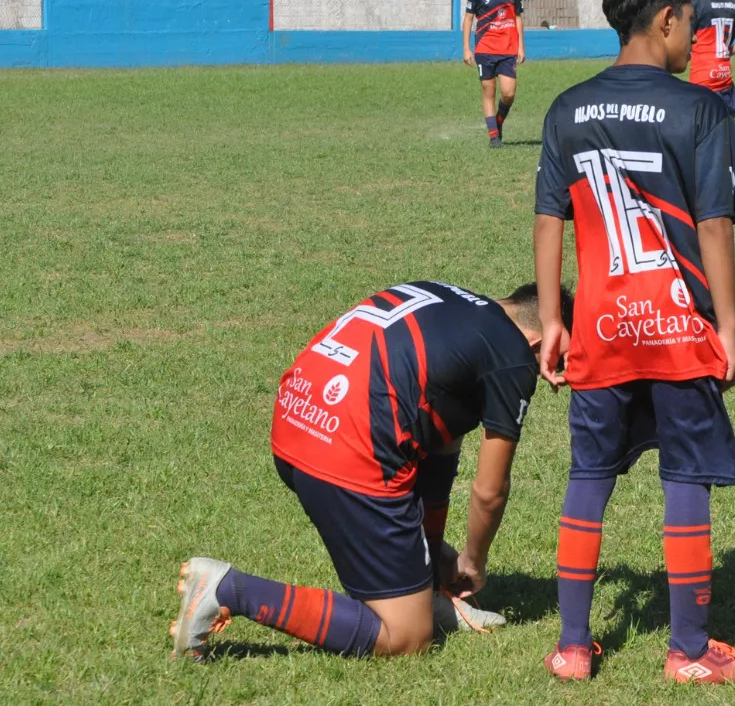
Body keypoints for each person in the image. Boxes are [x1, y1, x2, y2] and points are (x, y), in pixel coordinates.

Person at [533, 0, 735, 685]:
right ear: (665, 18)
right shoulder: (700, 108)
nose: (696, 36)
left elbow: (548, 218)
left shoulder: (567, 107)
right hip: (677, 327)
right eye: (690, 21)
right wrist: (726, 324)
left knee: (589, 473)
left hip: (599, 325)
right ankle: (689, 652)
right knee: (685, 474)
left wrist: (554, 320)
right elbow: (716, 225)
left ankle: (572, 646)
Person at [170, 280, 573, 661]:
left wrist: (430, 555)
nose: (563, 377)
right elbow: (490, 491)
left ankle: (425, 584)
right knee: (407, 637)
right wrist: (472, 561)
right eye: (565, 361)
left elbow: (441, 442)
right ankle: (229, 589)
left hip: (294, 419)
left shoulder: (450, 300)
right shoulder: (513, 356)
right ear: (544, 341)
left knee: (431, 443)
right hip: (345, 453)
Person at [463, 0, 526, 148]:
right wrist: (466, 48)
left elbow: (517, 17)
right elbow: (468, 18)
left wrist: (521, 46)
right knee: (488, 90)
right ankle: (493, 137)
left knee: (508, 94)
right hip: (485, 48)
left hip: (508, 49)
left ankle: (498, 122)